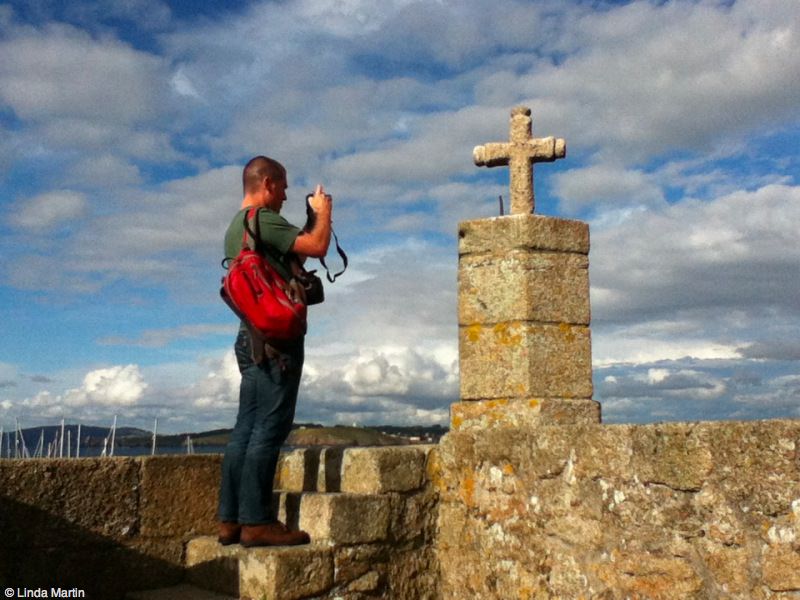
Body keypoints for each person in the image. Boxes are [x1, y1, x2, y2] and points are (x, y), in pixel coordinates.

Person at [217, 156, 332, 547]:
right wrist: (324, 213)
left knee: (245, 429)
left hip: (248, 339)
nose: (284, 195)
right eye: (282, 187)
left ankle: (229, 520)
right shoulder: (263, 218)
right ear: (267, 183)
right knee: (270, 427)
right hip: (276, 342)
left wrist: (307, 219)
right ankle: (257, 522)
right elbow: (316, 247)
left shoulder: (239, 226)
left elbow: (293, 253)